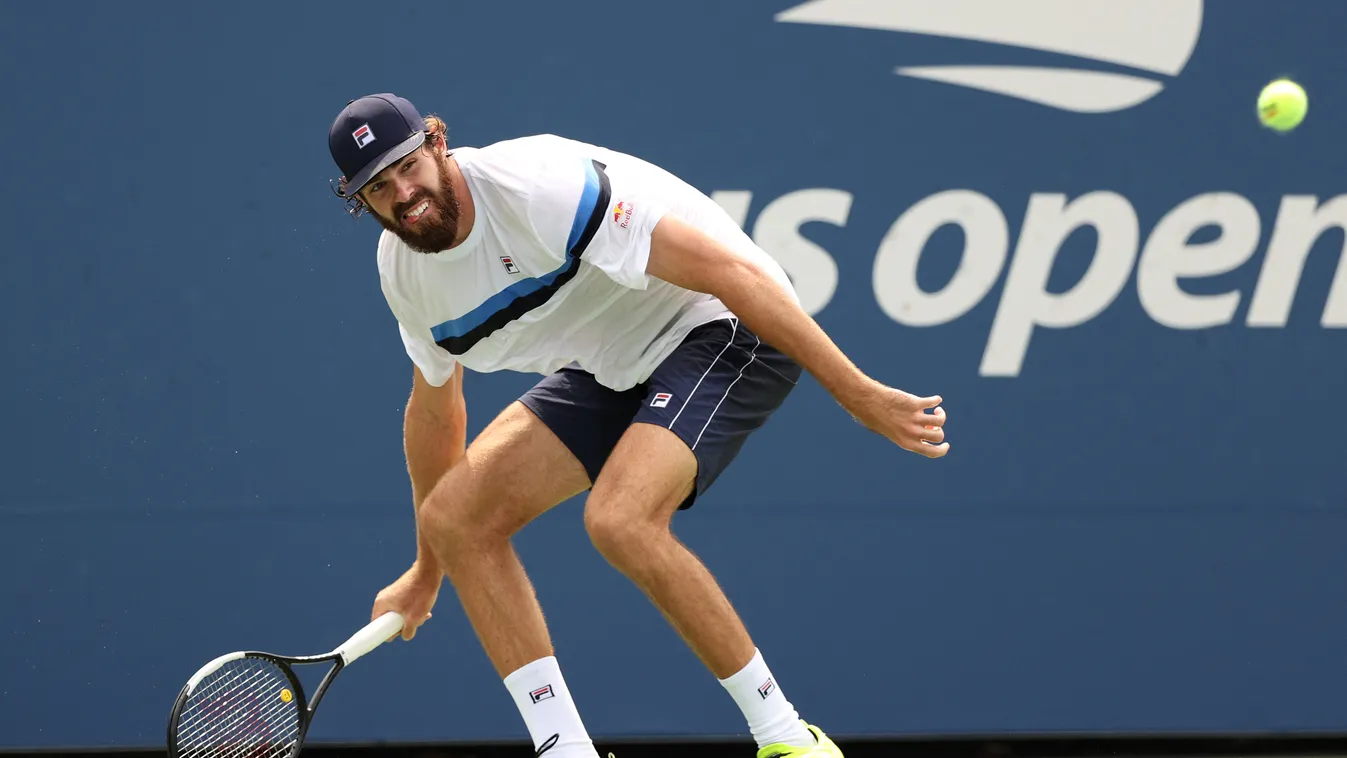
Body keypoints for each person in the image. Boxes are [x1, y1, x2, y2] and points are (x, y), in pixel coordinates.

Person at [327, 93, 949, 758]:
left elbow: (724, 270)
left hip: (720, 321)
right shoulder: (405, 277)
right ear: (360, 201)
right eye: (379, 187)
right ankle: (565, 750)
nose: (405, 194)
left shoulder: (537, 186)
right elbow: (433, 410)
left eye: (408, 166)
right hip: (612, 362)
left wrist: (853, 393)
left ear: (437, 143)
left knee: (619, 519)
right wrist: (428, 567)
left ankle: (788, 738)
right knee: (454, 519)